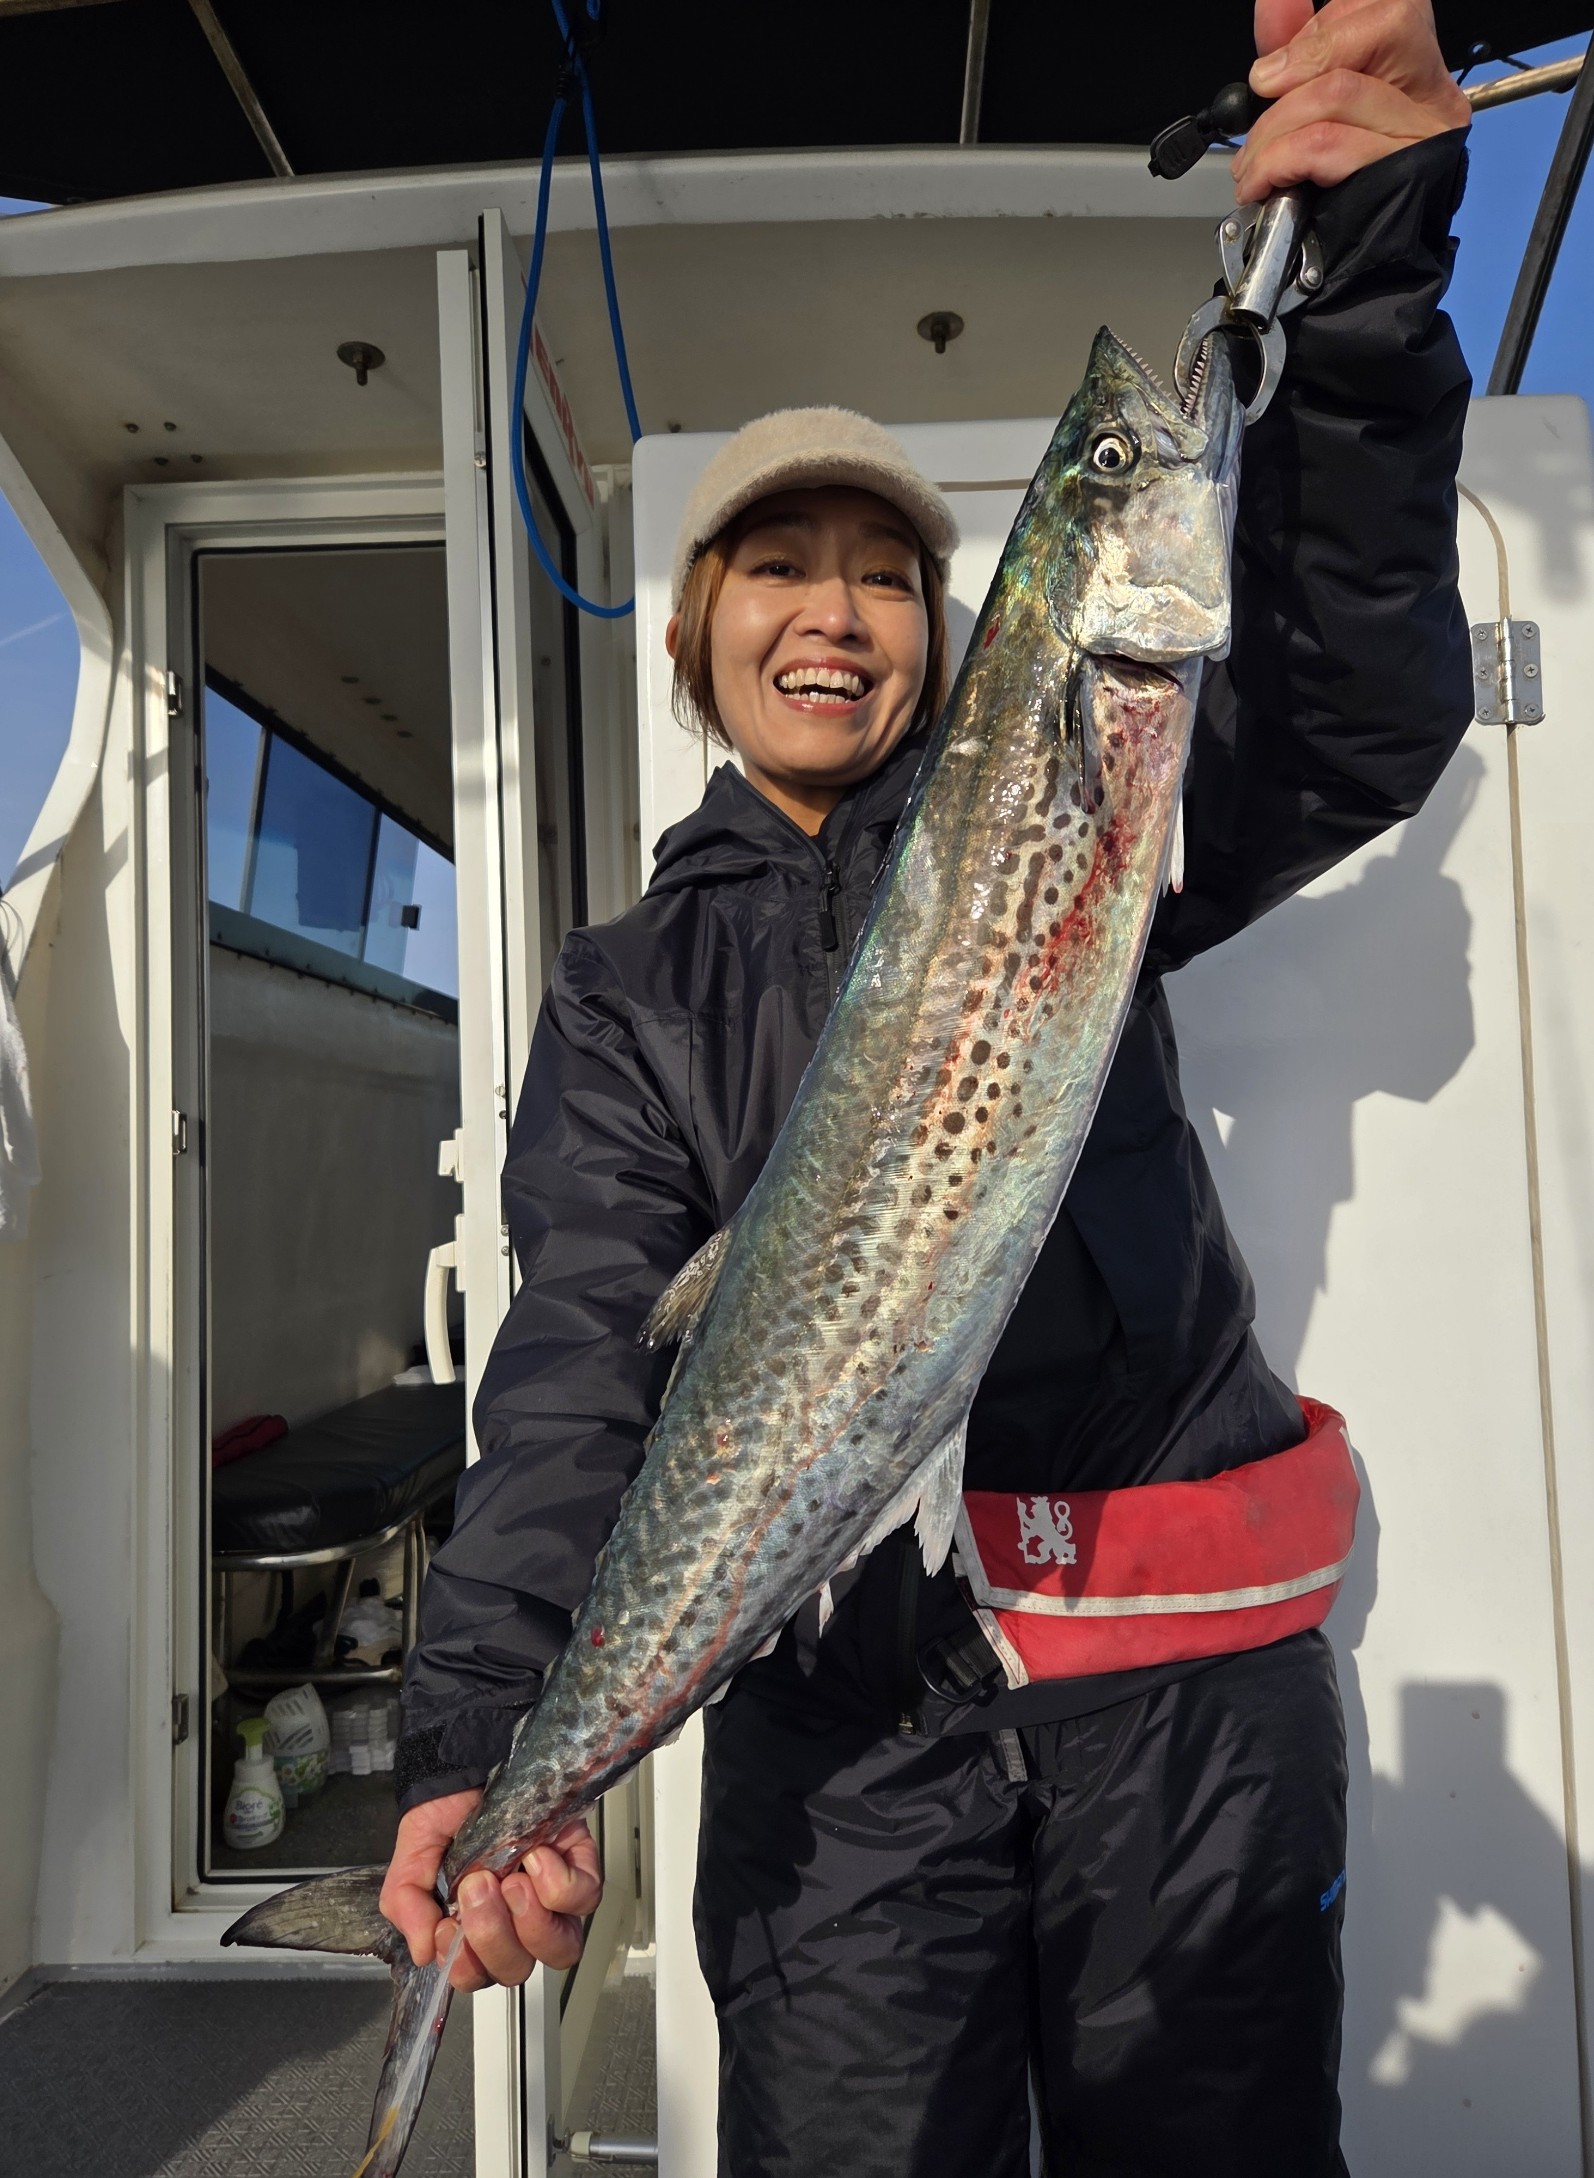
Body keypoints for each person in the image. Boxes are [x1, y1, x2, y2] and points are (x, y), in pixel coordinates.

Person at [384, 2, 1475, 2169]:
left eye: (885, 572)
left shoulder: (1079, 795)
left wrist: (1357, 305)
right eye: (777, 567)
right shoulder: (626, 988)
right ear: (696, 635)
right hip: (843, 1746)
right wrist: (484, 1727)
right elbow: (584, 1351)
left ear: (953, 632)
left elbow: (1347, 709)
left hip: (1178, 1690)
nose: (836, 611)